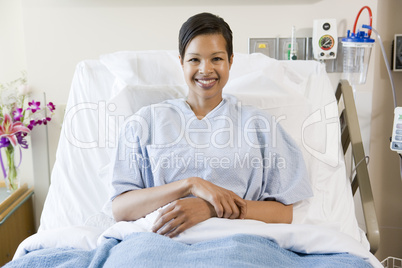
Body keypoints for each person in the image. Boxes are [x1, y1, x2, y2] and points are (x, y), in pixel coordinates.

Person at [111, 12, 313, 238]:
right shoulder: (146, 122)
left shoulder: (259, 126)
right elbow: (121, 209)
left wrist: (209, 208)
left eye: (216, 58)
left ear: (230, 61)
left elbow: (284, 213)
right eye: (194, 59)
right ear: (181, 62)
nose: (205, 69)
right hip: (160, 240)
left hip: (237, 242)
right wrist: (190, 185)